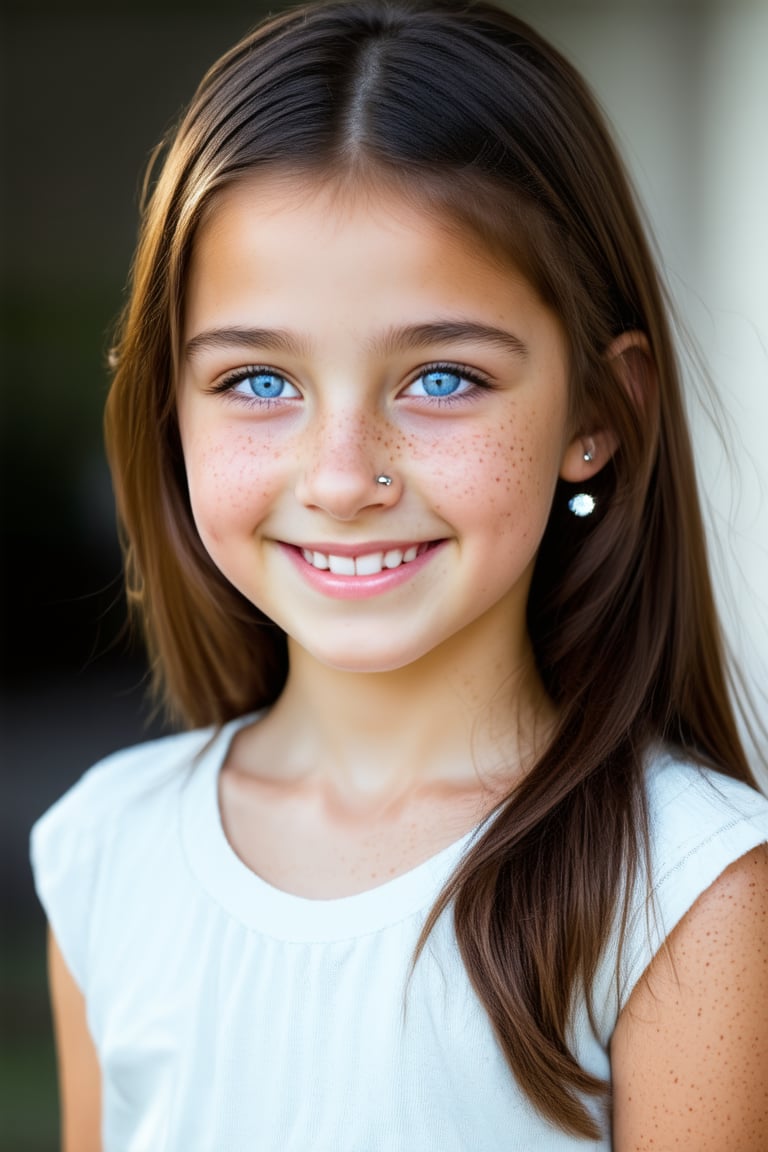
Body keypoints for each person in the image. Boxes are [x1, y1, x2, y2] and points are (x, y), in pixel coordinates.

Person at [31, 1, 768, 1148]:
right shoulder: (104, 851)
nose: (341, 478)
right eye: (259, 384)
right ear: (169, 411)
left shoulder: (688, 891)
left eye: (442, 379)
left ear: (598, 412)